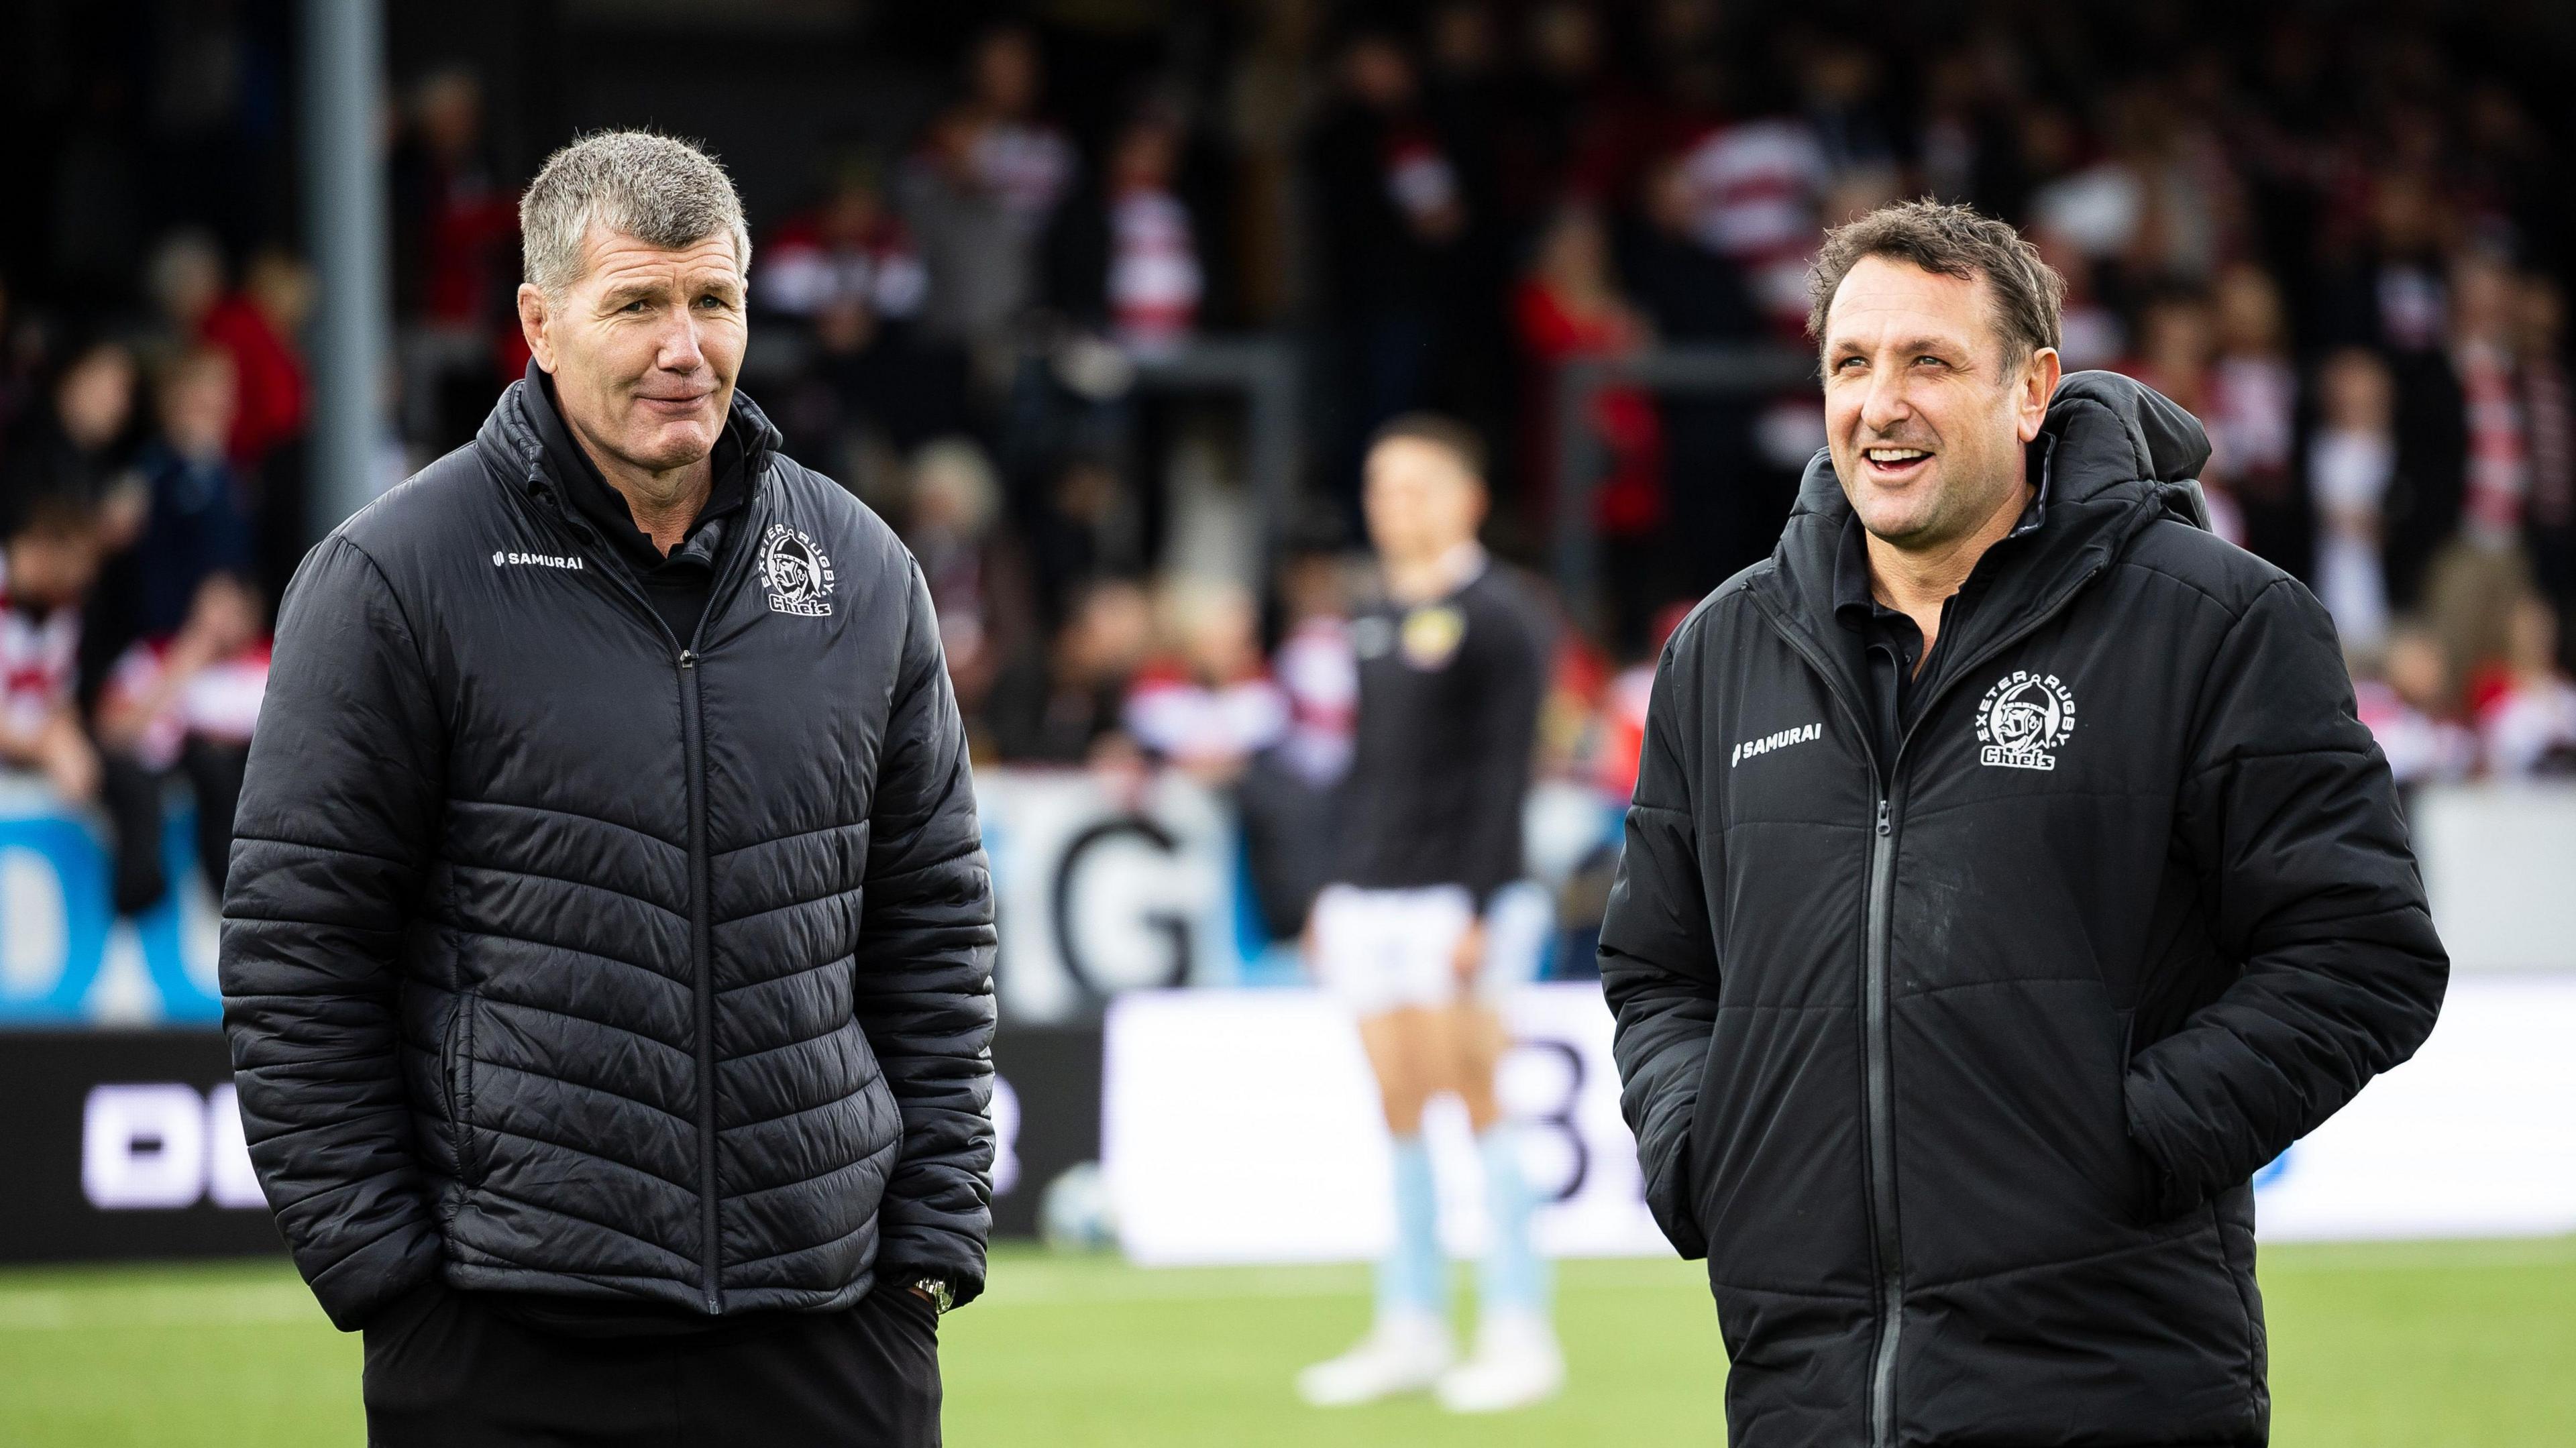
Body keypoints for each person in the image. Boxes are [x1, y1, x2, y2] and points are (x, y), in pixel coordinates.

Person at [1601, 201, 2447, 1447]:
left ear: (2033, 388)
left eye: (1928, 362)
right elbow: (1659, 969)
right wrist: (1703, 1149)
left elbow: (2361, 956)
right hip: (1803, 1401)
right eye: (1851, 363)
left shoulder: (2217, 622)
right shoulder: (1725, 650)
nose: (1879, 403)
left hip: (2112, 1388)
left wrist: (2125, 1142)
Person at [218, 132, 996, 1447]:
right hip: (506, 1345)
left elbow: (937, 932)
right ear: (539, 322)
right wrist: (393, 1290)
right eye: (637, 302)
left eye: (715, 300)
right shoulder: (396, 577)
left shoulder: (860, 570)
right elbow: (299, 955)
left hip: (830, 1338)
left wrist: (922, 1261)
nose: (683, 345)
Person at [1296, 415, 1558, 1414]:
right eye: (1380, 488)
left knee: (1478, 1098)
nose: (1392, 506)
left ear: (1466, 499)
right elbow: (1362, 770)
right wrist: (1330, 889)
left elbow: (1506, 772)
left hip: (1459, 896)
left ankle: (1518, 1323)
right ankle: (1410, 1323)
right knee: (1398, 1109)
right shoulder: (1367, 615)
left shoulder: (1502, 614)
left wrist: (1486, 900)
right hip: (1371, 894)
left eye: (1413, 488)